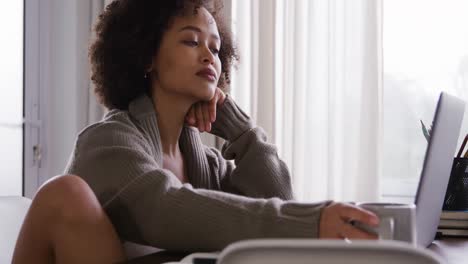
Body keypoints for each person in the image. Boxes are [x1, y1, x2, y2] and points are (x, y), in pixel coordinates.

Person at [13, 0, 379, 263]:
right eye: (191, 41)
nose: (209, 57)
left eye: (216, 49)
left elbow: (279, 202)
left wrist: (241, 131)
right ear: (147, 56)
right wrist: (310, 222)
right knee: (65, 192)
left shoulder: (204, 162)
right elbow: (165, 209)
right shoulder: (106, 144)